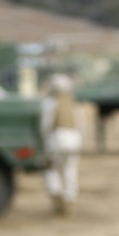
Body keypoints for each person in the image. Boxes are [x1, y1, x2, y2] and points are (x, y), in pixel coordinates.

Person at [41, 72, 83, 215]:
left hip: (56, 141)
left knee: (53, 170)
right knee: (70, 170)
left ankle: (58, 197)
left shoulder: (50, 104)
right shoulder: (73, 103)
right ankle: (68, 197)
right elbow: (80, 124)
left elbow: (45, 126)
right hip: (73, 141)